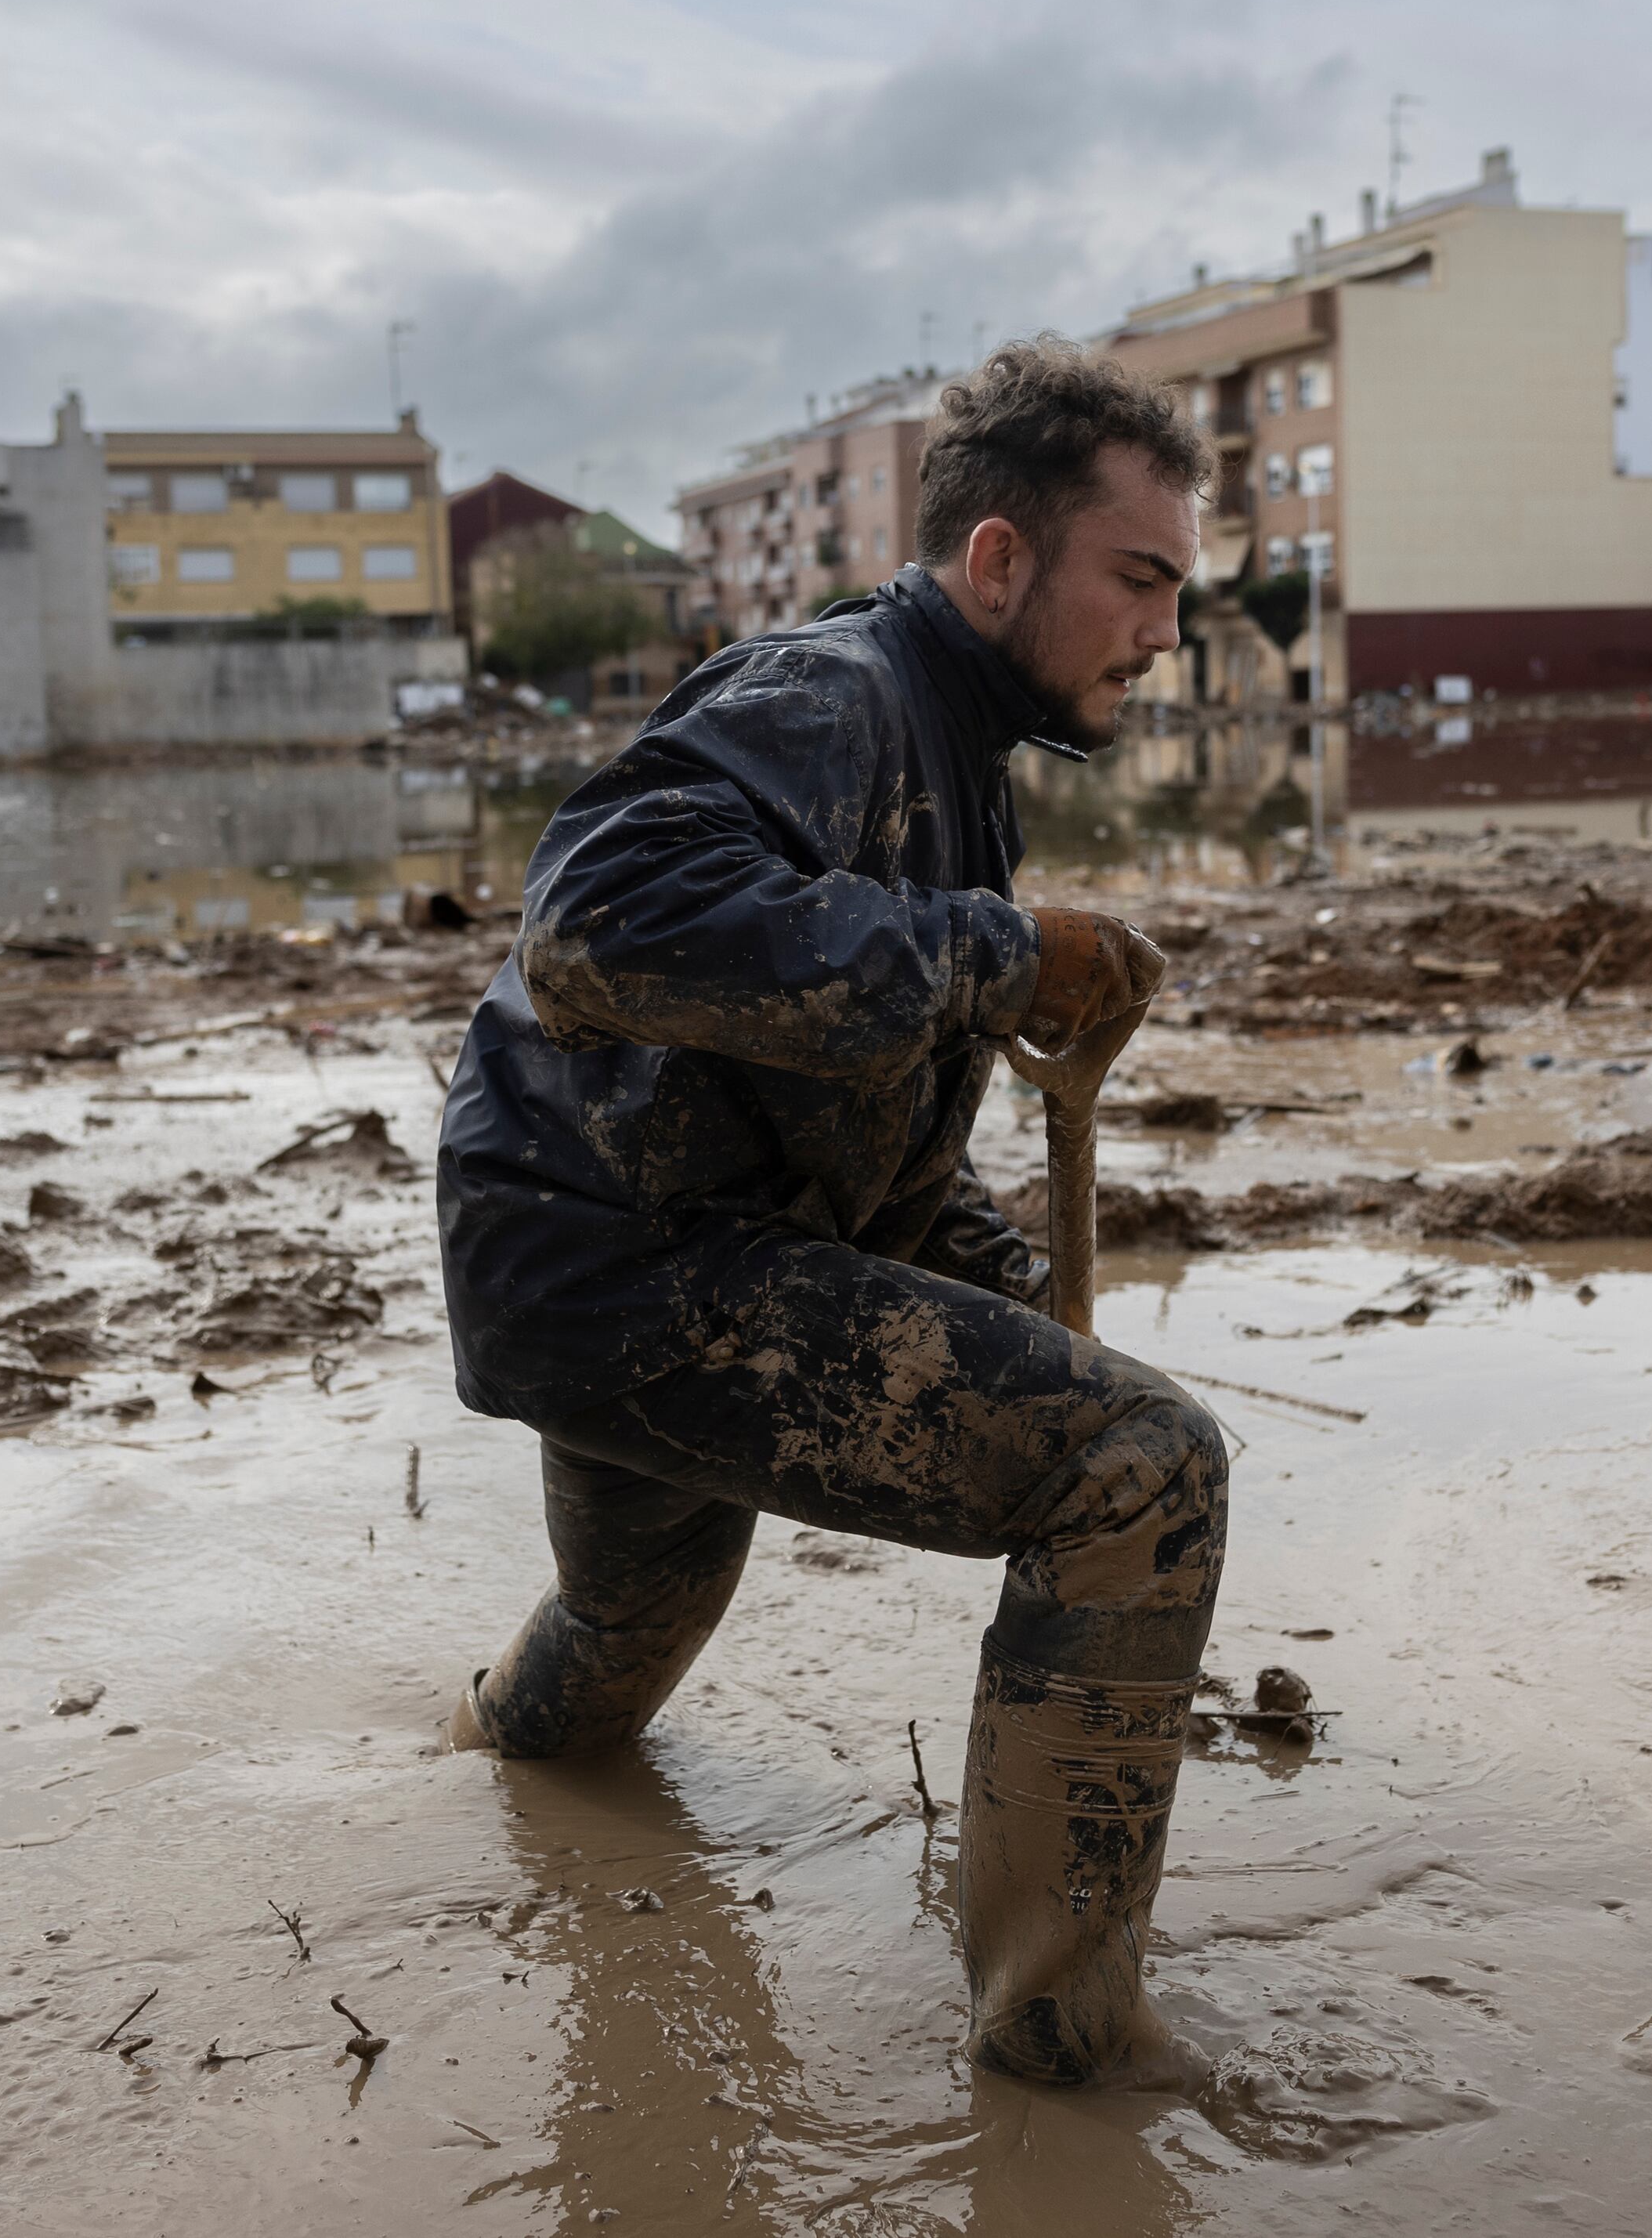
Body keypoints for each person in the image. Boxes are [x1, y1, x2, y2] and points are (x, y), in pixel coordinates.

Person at [434, 336, 1221, 2087]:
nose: (1165, 630)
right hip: (633, 1266)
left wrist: (1003, 1285)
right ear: (1000, 559)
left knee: (609, 1661)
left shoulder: (959, 749)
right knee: (1137, 1470)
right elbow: (596, 922)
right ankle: (1060, 2035)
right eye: (1141, 577)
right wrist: (1004, 952)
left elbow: (855, 1110)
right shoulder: (833, 691)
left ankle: (452, 1749)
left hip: (614, 1252)